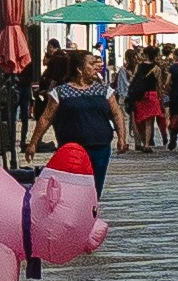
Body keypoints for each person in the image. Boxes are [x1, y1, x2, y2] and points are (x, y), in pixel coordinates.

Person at [34, 47, 117, 186]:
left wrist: (122, 138)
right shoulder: (61, 92)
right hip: (71, 147)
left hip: (100, 145)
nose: (96, 66)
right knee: (72, 183)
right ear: (79, 69)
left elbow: (116, 114)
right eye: (91, 63)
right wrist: (34, 143)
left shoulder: (104, 90)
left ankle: (93, 201)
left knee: (96, 185)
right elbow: (46, 118)